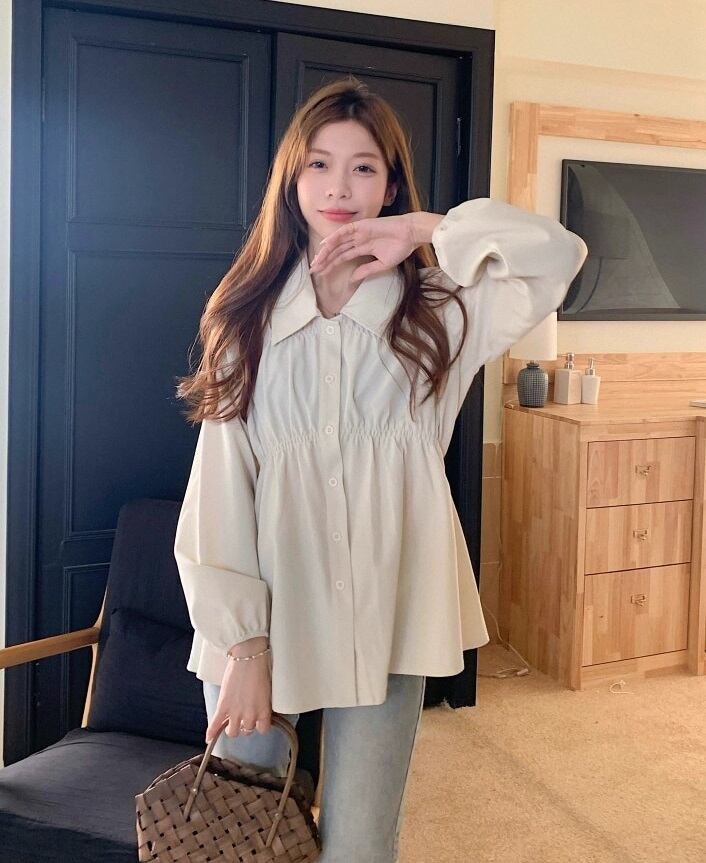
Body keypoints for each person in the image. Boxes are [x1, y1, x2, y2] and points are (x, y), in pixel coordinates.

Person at [173, 76, 588, 862]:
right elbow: (218, 495)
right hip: (262, 629)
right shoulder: (246, 318)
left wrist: (425, 229)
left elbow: (558, 256)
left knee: (361, 848)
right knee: (241, 844)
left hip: (390, 614)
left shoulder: (439, 309)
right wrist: (243, 648)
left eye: (364, 168)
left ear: (391, 184)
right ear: (293, 181)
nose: (340, 187)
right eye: (320, 165)